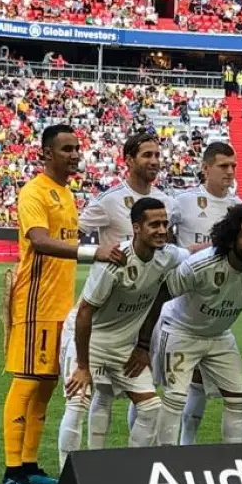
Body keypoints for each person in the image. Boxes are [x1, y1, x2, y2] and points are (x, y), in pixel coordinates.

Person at [0, 125, 124, 484]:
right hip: (35, 303)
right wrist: (93, 253)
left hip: (60, 306)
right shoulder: (34, 192)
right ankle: (10, 471)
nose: (74, 155)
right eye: (66, 149)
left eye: (77, 148)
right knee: (26, 382)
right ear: (46, 154)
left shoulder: (66, 193)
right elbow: (38, 241)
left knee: (48, 385)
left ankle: (30, 465)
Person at [59, 198, 189, 466]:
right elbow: (85, 312)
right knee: (77, 401)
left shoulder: (169, 256)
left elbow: (196, 256)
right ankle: (66, 478)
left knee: (151, 407)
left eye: (165, 224)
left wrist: (142, 347)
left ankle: (134, 473)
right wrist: (83, 366)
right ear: (136, 228)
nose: (162, 229)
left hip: (123, 347)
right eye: (154, 224)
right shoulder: (114, 261)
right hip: (87, 339)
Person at [74, 132, 175, 450]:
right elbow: (72, 234)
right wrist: (97, 253)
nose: (154, 161)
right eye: (146, 155)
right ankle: (94, 463)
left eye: (157, 155)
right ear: (128, 160)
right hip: (108, 306)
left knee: (143, 390)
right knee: (101, 395)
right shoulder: (109, 200)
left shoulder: (166, 201)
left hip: (145, 311)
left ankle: (135, 465)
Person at [152, 204, 242, 445]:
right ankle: (167, 459)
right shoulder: (200, 266)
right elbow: (160, 295)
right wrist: (141, 343)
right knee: (175, 398)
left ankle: (233, 461)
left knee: (238, 397)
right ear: (231, 239)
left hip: (219, 336)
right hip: (180, 330)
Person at [170, 141, 242, 445]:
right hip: (180, 307)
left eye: (233, 166)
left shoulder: (237, 208)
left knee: (200, 380)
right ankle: (150, 447)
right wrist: (190, 251)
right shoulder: (183, 201)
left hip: (218, 307)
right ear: (206, 168)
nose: (230, 172)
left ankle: (187, 445)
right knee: (163, 386)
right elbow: (160, 243)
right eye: (223, 166)